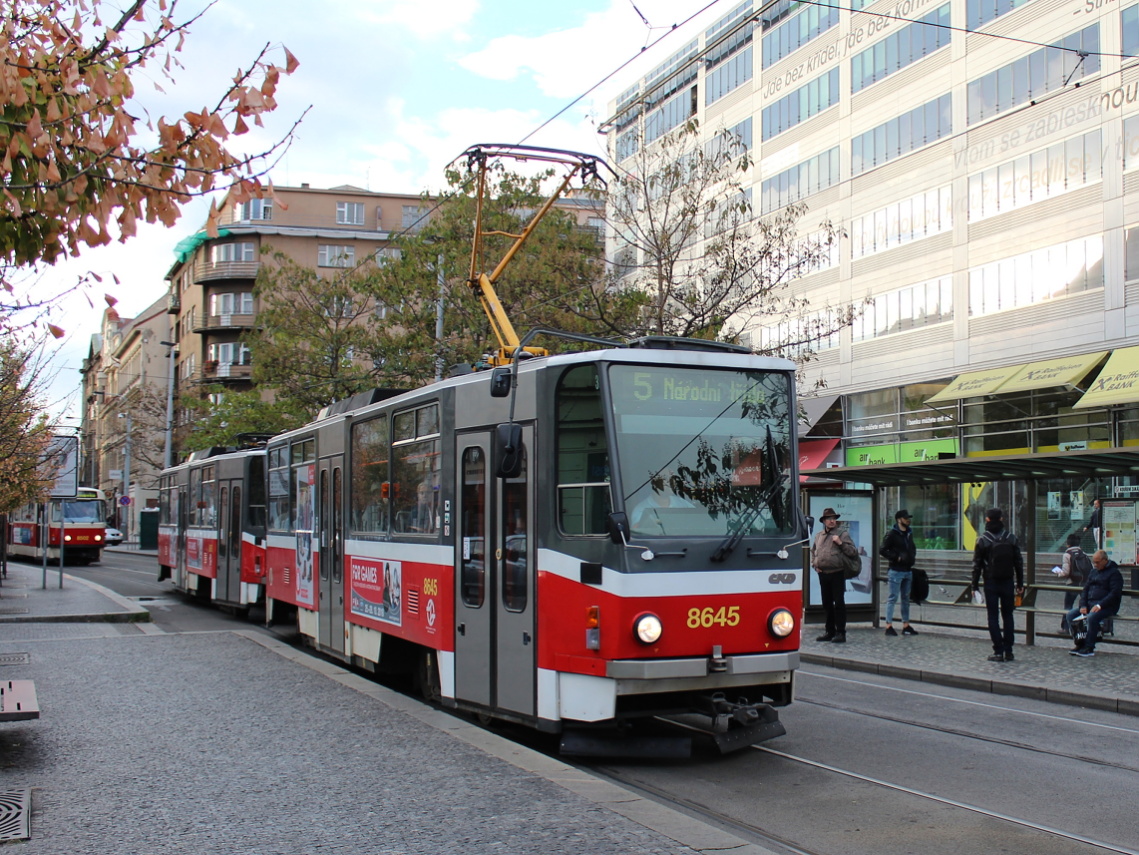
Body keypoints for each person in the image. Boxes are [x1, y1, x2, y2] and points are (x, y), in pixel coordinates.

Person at [971, 507, 1024, 662]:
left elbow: (976, 566)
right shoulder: (1011, 538)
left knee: (992, 616)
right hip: (1008, 581)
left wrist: (974, 586)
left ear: (987, 519)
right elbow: (1018, 563)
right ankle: (1009, 650)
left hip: (991, 582)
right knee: (1008, 616)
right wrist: (1020, 583)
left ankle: (998, 650)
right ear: (1001, 519)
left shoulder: (982, 540)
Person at [811, 507, 858, 644]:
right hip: (823, 574)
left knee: (839, 603)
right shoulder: (819, 535)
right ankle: (829, 631)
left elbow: (853, 552)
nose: (832, 521)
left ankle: (841, 632)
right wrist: (815, 564)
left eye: (834, 518)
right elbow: (813, 552)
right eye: (829, 519)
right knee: (826, 603)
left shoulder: (842, 534)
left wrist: (840, 543)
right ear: (824, 521)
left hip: (837, 572)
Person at [1066, 549, 1124, 657]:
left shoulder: (1114, 573)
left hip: (1107, 606)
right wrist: (1083, 605)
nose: (1095, 565)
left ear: (1105, 560)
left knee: (1092, 617)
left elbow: (1114, 593)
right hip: (1090, 604)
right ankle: (1080, 643)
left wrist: (1100, 605)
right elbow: (1085, 589)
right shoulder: (1093, 572)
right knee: (1070, 615)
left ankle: (1089, 646)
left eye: (1097, 562)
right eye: (1094, 562)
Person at [880, 509, 918, 637]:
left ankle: (906, 625)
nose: (908, 520)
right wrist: (896, 557)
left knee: (906, 599)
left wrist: (912, 556)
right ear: (899, 519)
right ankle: (888, 625)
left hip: (907, 570)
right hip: (896, 570)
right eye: (905, 518)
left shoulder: (908, 533)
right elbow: (882, 549)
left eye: (908, 518)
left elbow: (911, 547)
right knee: (892, 598)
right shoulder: (892, 534)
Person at [629, 471, 694, 532]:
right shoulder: (641, 509)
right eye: (666, 479)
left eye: (673, 478)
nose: (672, 482)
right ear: (655, 484)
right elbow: (637, 533)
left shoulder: (683, 503)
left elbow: (698, 521)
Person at [1056, 533, 1090, 631]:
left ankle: (1066, 627)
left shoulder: (1067, 555)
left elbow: (1065, 572)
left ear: (1068, 544)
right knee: (1084, 604)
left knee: (1068, 605)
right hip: (1084, 583)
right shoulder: (1084, 554)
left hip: (1072, 583)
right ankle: (1086, 626)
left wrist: (1058, 572)